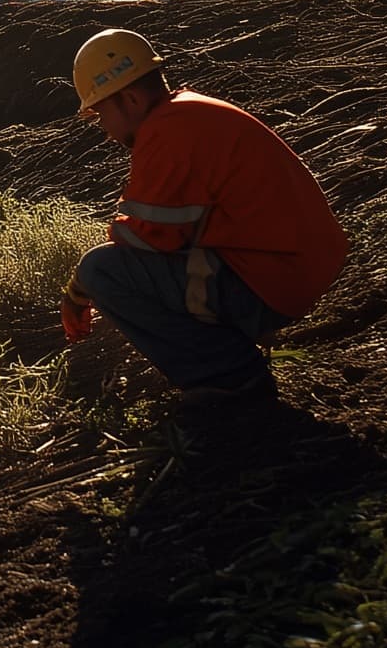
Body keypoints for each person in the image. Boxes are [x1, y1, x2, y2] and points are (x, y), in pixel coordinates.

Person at [60, 27, 348, 400]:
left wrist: (78, 290)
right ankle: (231, 347)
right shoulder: (187, 114)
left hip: (273, 280)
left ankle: (230, 374)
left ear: (129, 99)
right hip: (290, 267)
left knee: (101, 270)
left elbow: (145, 238)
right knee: (120, 266)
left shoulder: (167, 131)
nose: (104, 130)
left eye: (100, 114)